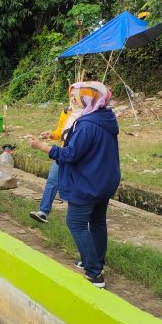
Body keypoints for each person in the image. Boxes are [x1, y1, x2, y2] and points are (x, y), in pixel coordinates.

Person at [29, 81, 120, 288]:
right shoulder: (105, 117)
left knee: (76, 223)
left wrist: (42, 147)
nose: (72, 100)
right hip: (104, 182)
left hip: (88, 183)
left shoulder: (87, 125)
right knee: (97, 222)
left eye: (76, 97)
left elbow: (70, 155)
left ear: (88, 99)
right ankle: (97, 262)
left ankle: (94, 273)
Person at [29, 90, 82, 223]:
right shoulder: (66, 112)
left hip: (78, 156)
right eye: (71, 96)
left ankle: (79, 219)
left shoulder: (87, 115)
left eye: (76, 96)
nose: (73, 99)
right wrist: (52, 134)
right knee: (52, 180)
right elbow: (61, 132)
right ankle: (43, 212)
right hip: (64, 153)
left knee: (77, 187)